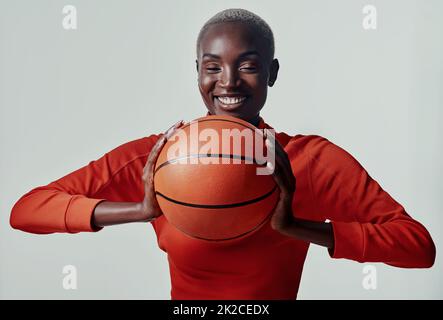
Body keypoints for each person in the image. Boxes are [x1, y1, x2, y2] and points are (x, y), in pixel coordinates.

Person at [10, 8, 435, 299]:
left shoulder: (308, 160)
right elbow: (26, 210)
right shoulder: (162, 160)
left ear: (272, 72)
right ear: (197, 71)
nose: (228, 82)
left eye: (248, 66)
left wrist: (298, 226)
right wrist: (140, 210)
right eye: (212, 66)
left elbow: (418, 248)